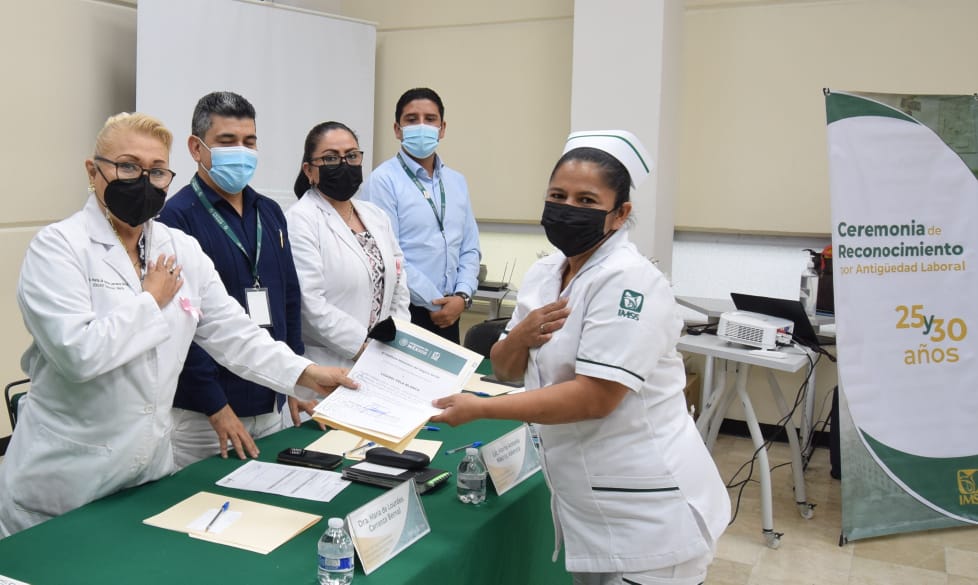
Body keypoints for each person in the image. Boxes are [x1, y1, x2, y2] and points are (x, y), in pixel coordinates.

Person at [0, 112, 356, 539]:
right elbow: (79, 354)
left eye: (156, 171)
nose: (143, 181)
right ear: (93, 171)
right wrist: (151, 301)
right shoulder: (58, 248)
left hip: (145, 475)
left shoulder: (179, 248)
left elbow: (234, 334)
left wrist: (306, 373)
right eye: (128, 167)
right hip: (65, 483)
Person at [431, 131, 730, 585]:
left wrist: (482, 409)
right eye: (557, 196)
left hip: (650, 514)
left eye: (586, 200)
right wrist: (521, 336)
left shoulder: (631, 281)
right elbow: (506, 367)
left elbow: (596, 397)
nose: (567, 208)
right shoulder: (545, 272)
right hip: (589, 504)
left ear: (620, 213)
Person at [158, 91, 309, 469]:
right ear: (196, 148)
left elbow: (289, 298)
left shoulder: (269, 211)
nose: (241, 151)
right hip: (206, 418)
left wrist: (294, 378)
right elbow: (181, 325)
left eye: (249, 141)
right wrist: (216, 406)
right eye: (227, 141)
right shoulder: (175, 219)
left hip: (271, 401)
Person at [287, 121, 410, 375]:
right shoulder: (300, 220)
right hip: (328, 364)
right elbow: (310, 304)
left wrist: (396, 336)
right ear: (309, 170)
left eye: (352, 156)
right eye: (331, 158)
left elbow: (398, 282)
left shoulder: (375, 215)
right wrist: (362, 346)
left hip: (383, 357)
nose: (344, 164)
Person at [361, 87, 480, 343]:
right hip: (406, 310)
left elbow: (470, 248)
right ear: (397, 129)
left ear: (442, 128)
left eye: (430, 119)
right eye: (412, 119)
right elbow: (388, 255)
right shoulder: (383, 181)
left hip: (452, 310)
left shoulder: (456, 182)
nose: (422, 126)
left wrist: (462, 296)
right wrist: (434, 301)